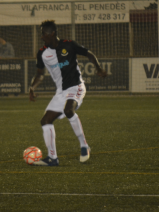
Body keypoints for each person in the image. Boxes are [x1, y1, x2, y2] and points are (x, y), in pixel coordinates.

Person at [29, 20, 107, 166]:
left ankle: (84, 146)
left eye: (43, 33)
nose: (42, 37)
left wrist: (98, 68)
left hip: (76, 86)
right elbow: (39, 74)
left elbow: (88, 53)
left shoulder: (69, 44)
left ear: (52, 33)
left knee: (68, 110)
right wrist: (32, 87)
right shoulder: (42, 53)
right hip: (61, 91)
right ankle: (52, 158)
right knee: (45, 121)